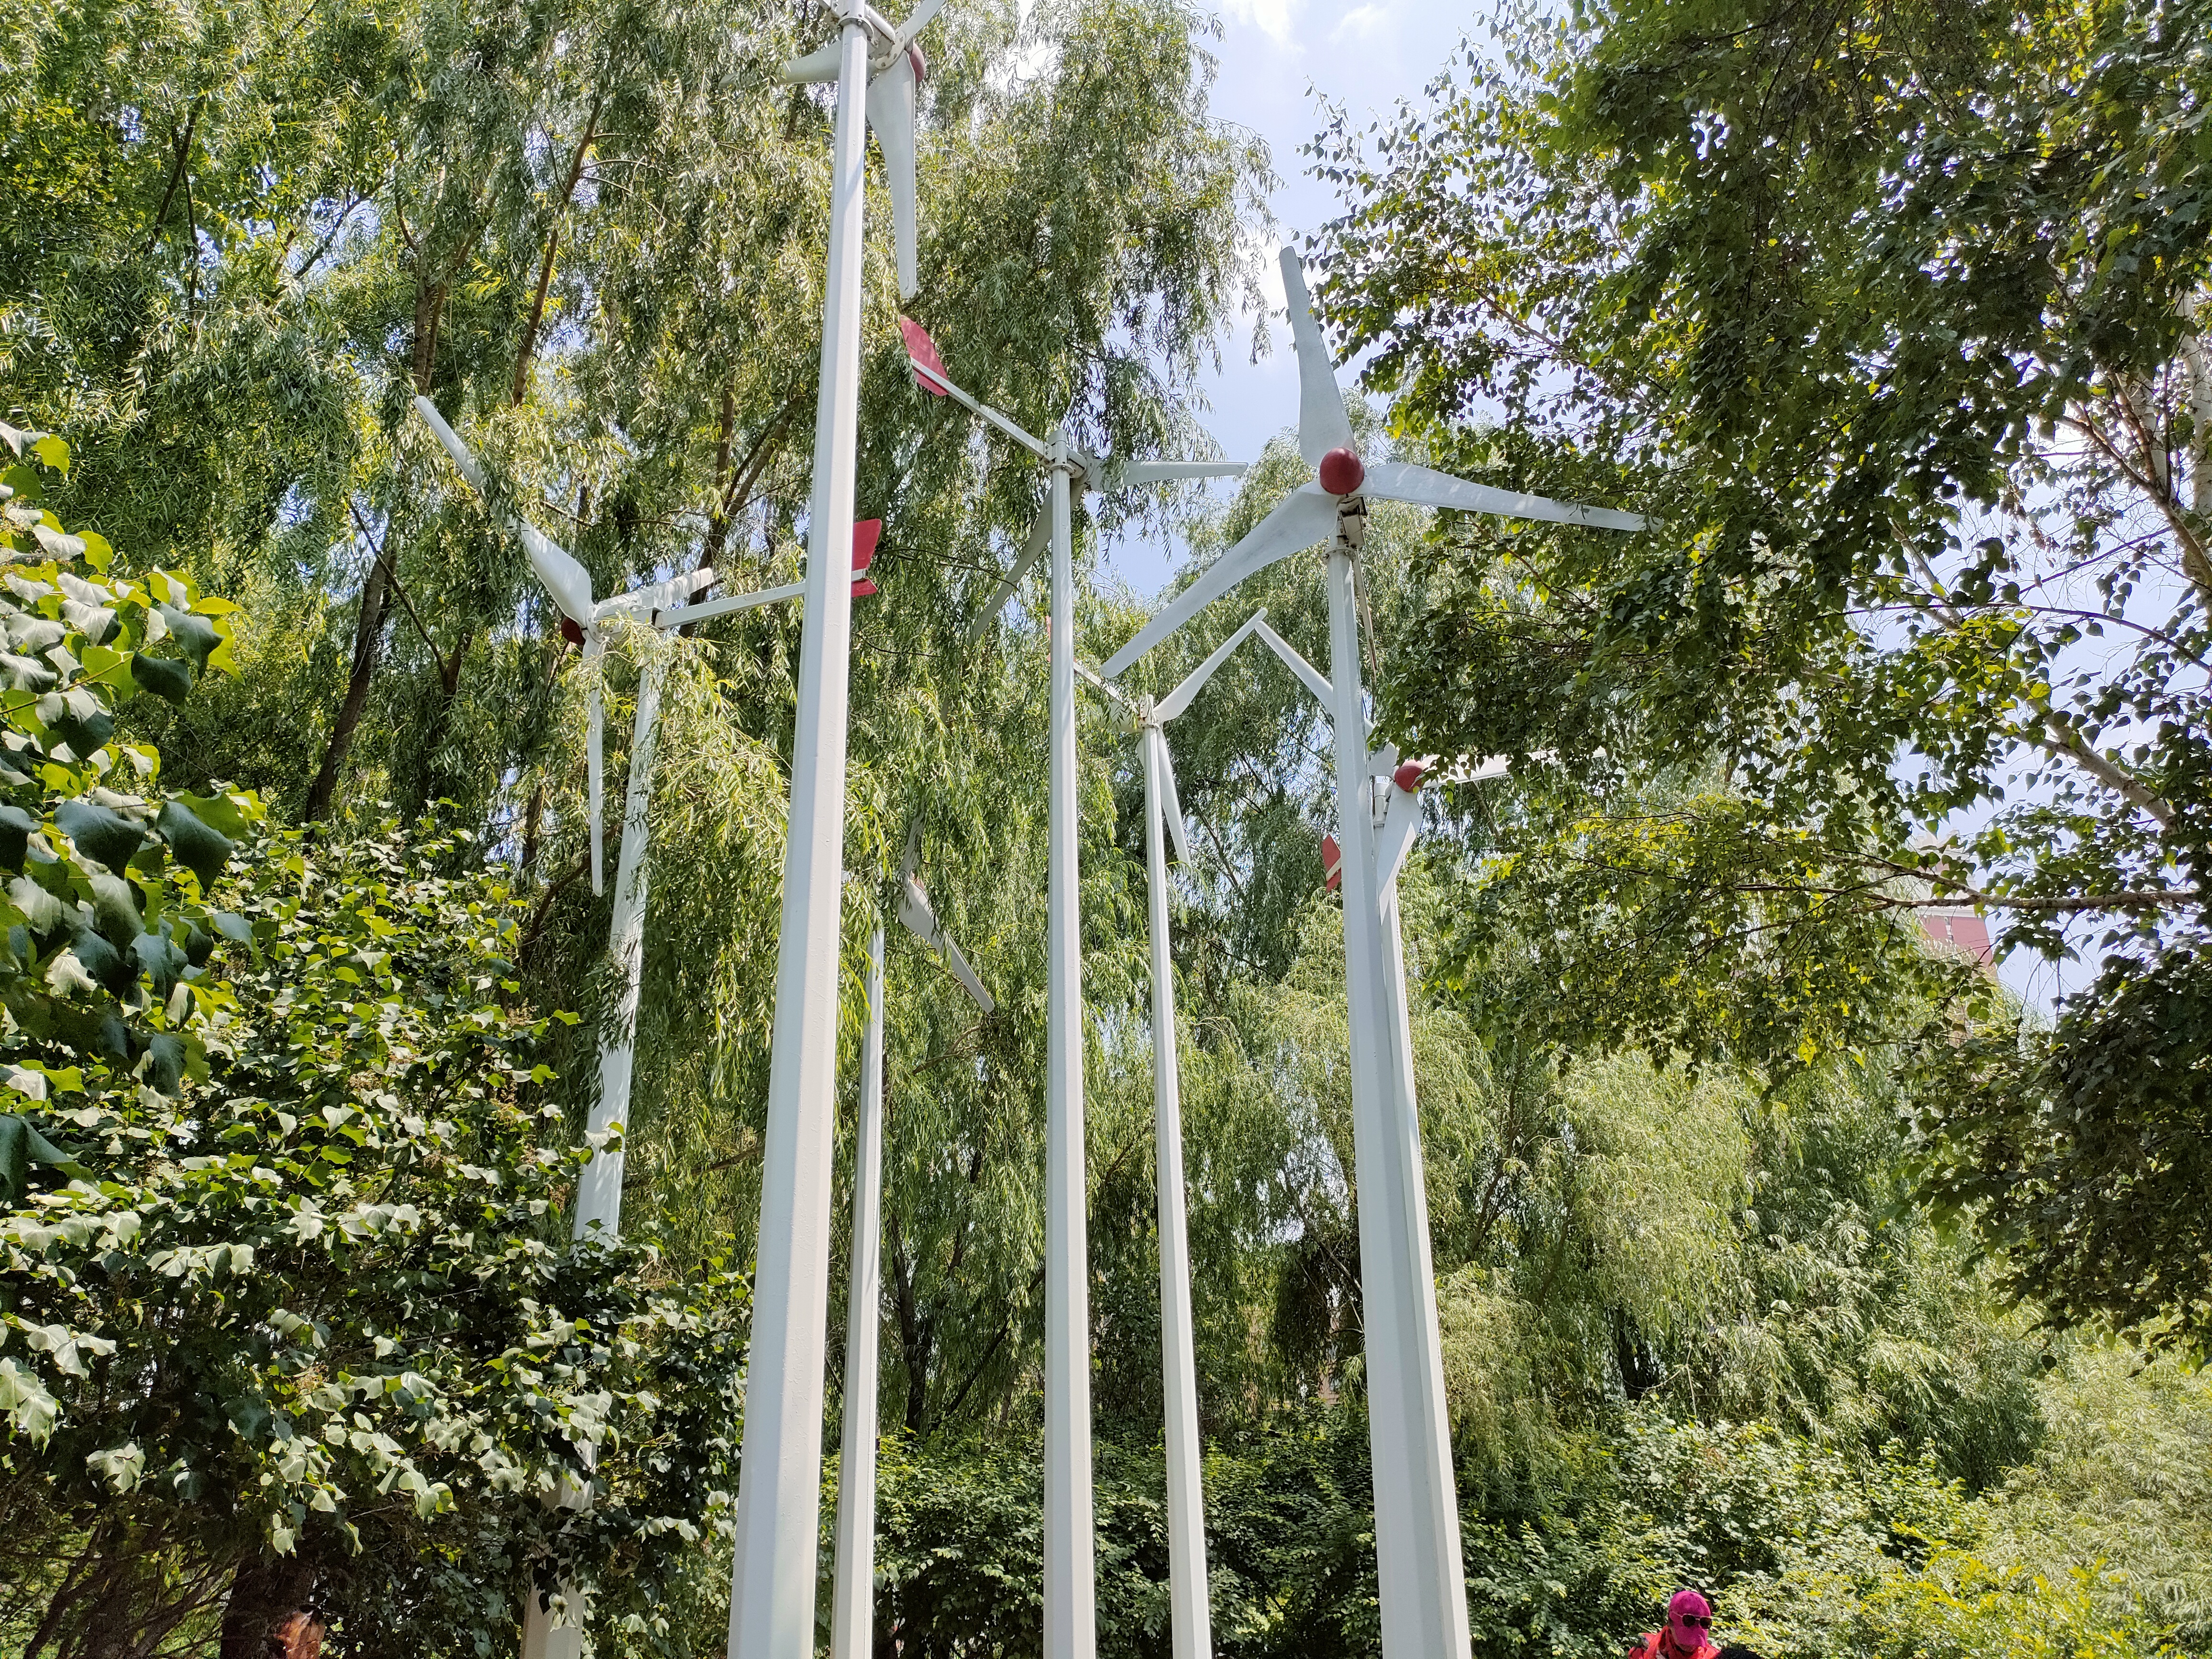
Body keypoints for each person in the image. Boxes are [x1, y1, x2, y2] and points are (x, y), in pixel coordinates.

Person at [1627, 1589, 1720, 1659]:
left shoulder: (1715, 1657)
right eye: (1686, 1638)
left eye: (1697, 1639)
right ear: (1670, 1624)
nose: (1692, 1643)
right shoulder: (1642, 1654)